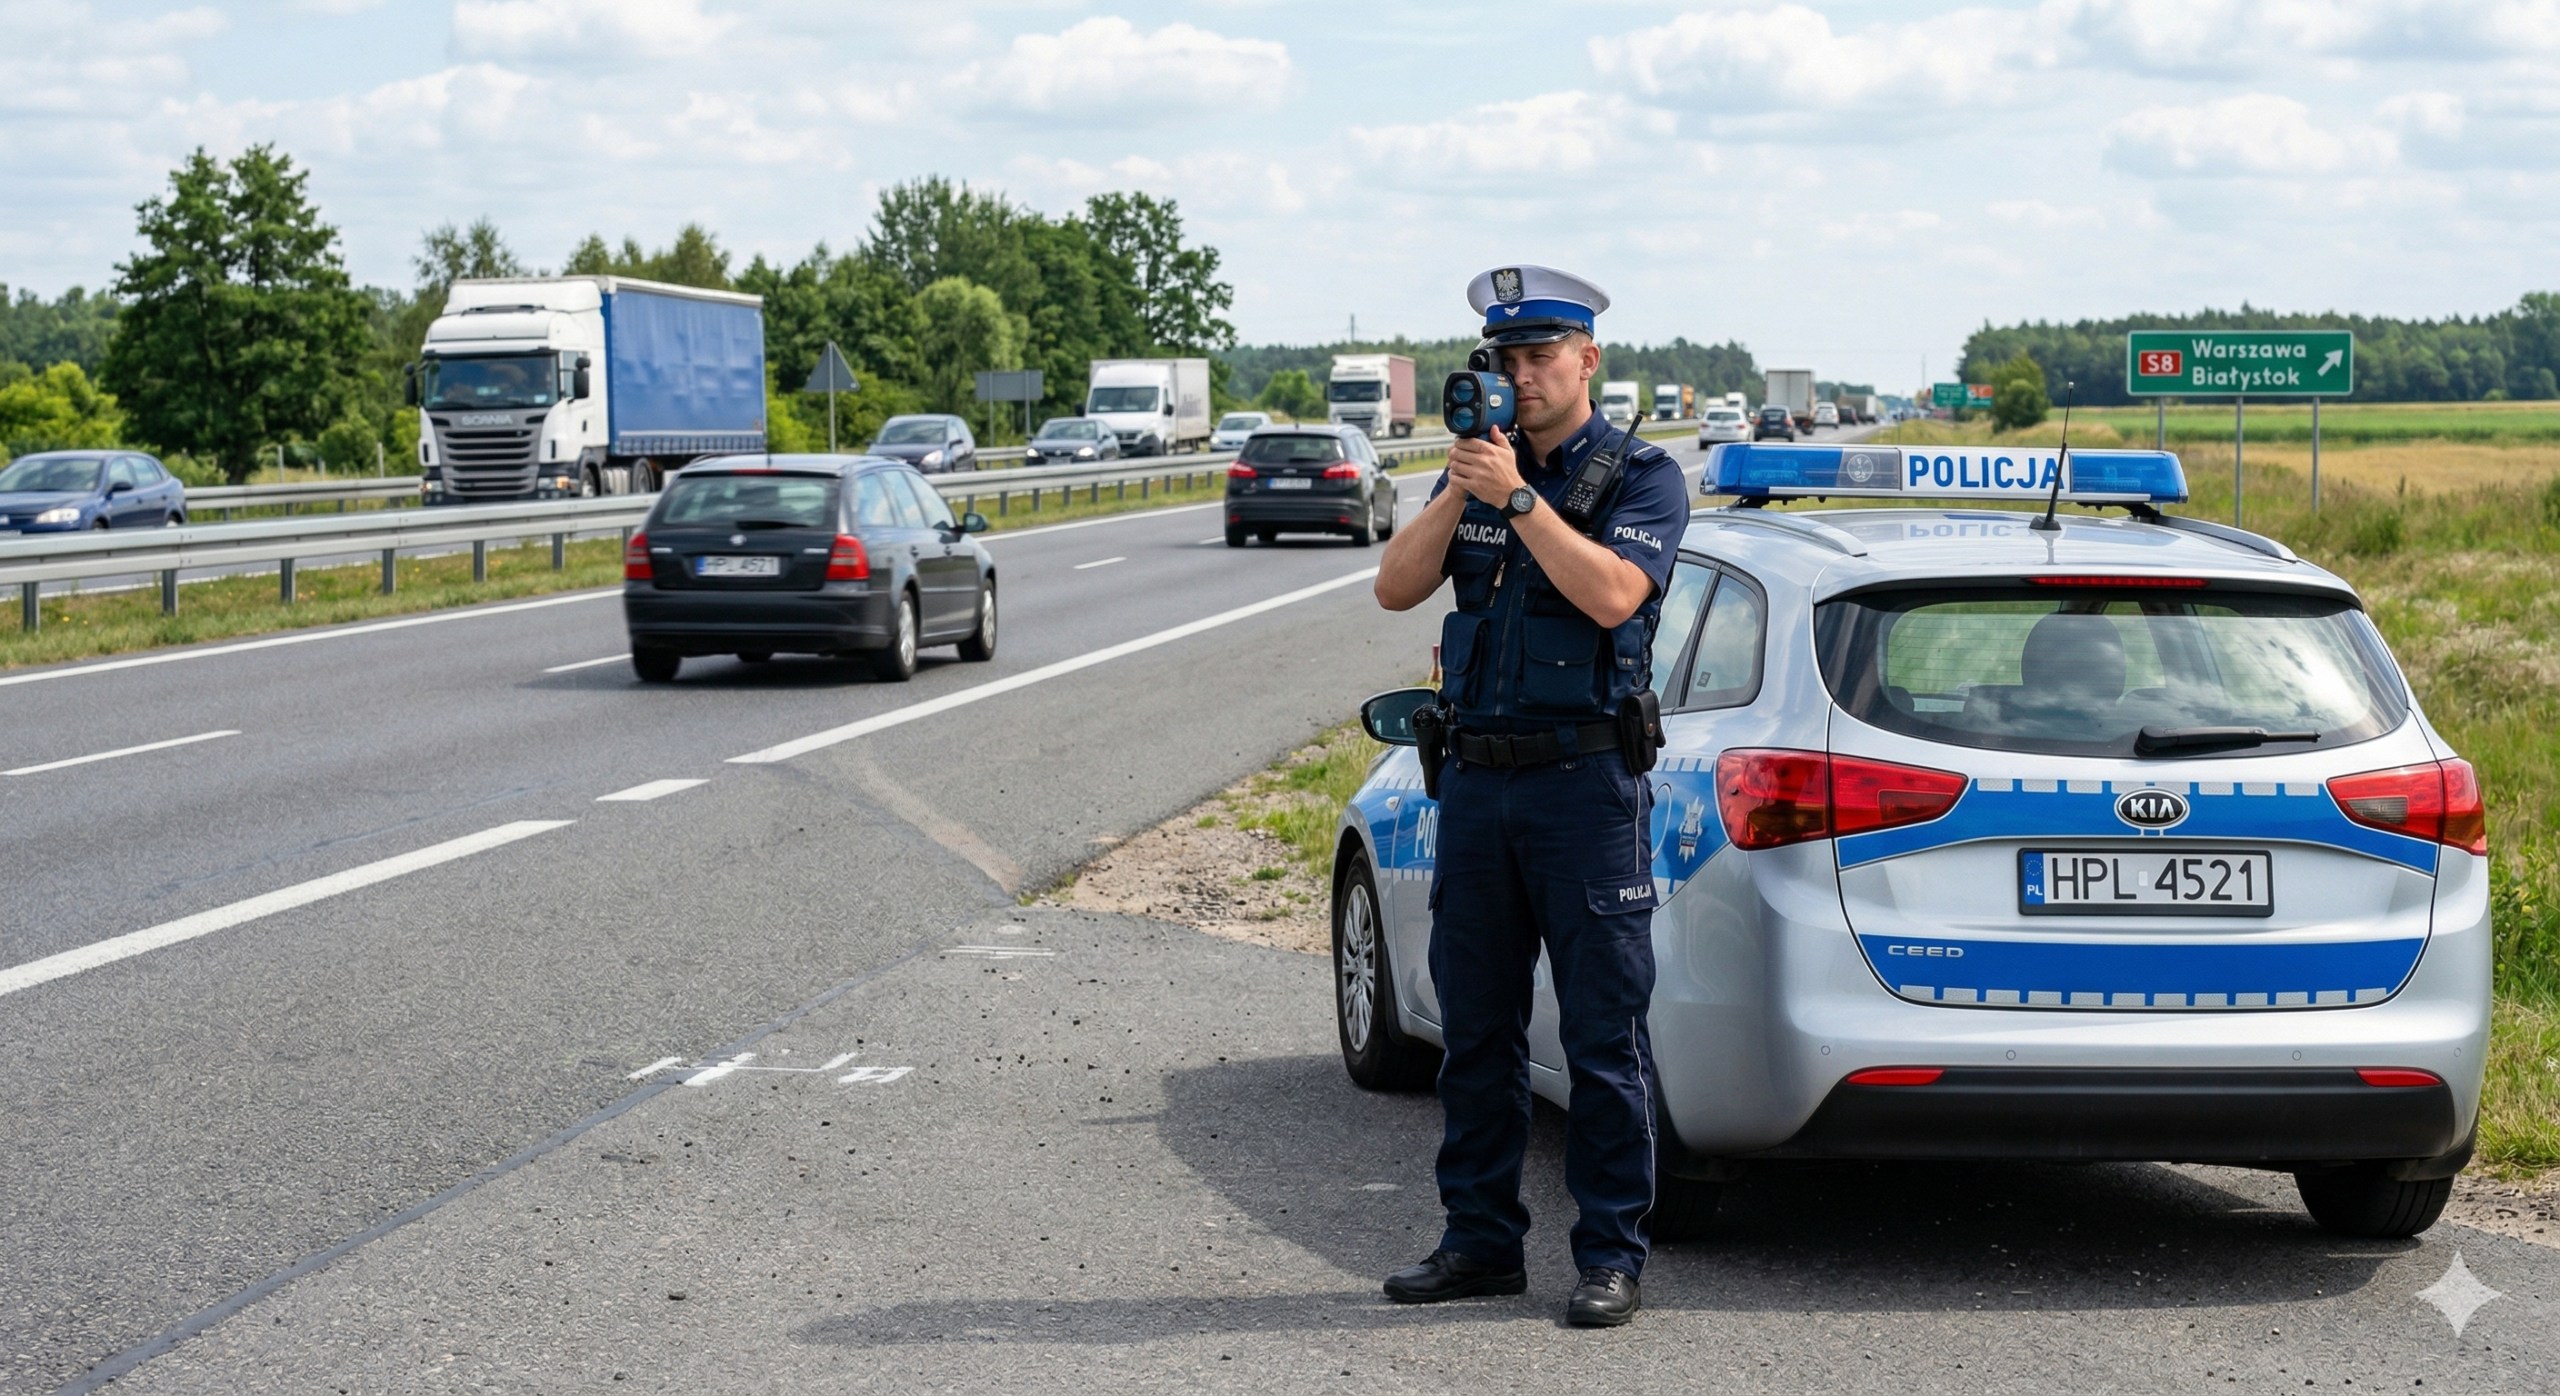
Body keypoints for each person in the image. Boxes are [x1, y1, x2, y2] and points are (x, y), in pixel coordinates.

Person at [1371, 265, 1690, 1327]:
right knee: (1475, 1031)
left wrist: (1518, 498)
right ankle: (1479, 1241)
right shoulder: (1473, 470)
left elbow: (1613, 595)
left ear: (1587, 359)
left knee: (1601, 1036)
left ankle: (1609, 1255)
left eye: (1541, 356)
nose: (1520, 374)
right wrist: (1465, 486)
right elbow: (1395, 586)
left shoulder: (1641, 476)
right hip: (1476, 784)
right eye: (1505, 358)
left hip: (1584, 788)